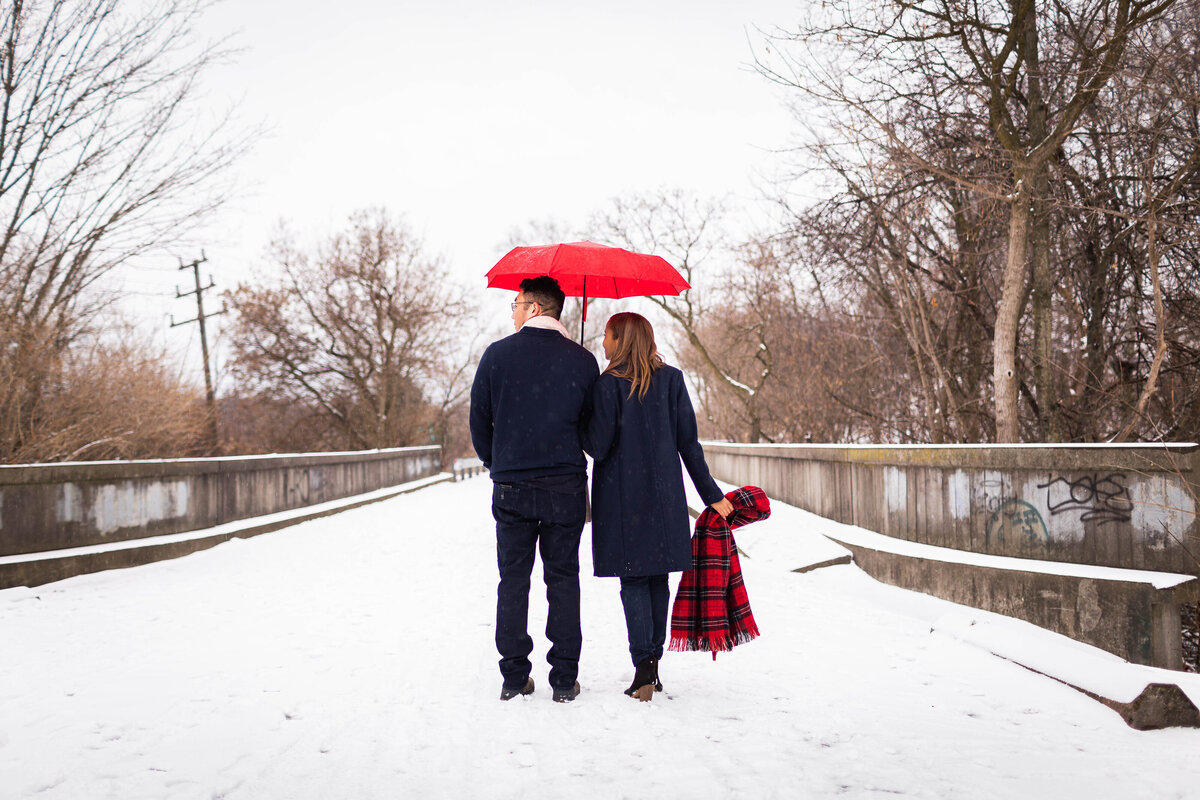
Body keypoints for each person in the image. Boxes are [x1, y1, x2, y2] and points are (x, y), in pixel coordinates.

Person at [585, 312, 733, 702]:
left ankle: (642, 668)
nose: (602, 343)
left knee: (634, 580)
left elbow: (597, 446)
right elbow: (690, 445)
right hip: (665, 498)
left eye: (606, 336)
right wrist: (711, 496)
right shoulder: (672, 381)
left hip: (621, 500)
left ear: (621, 340)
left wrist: (584, 416)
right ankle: (652, 665)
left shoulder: (606, 385)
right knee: (657, 580)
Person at [470, 275, 599, 703]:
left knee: (514, 580)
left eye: (516, 304)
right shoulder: (582, 361)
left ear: (535, 309)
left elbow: (478, 422)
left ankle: (513, 676)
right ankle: (563, 678)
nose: (512, 311)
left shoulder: (496, 356)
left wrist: (498, 461)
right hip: (565, 487)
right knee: (563, 579)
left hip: (512, 486)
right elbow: (591, 435)